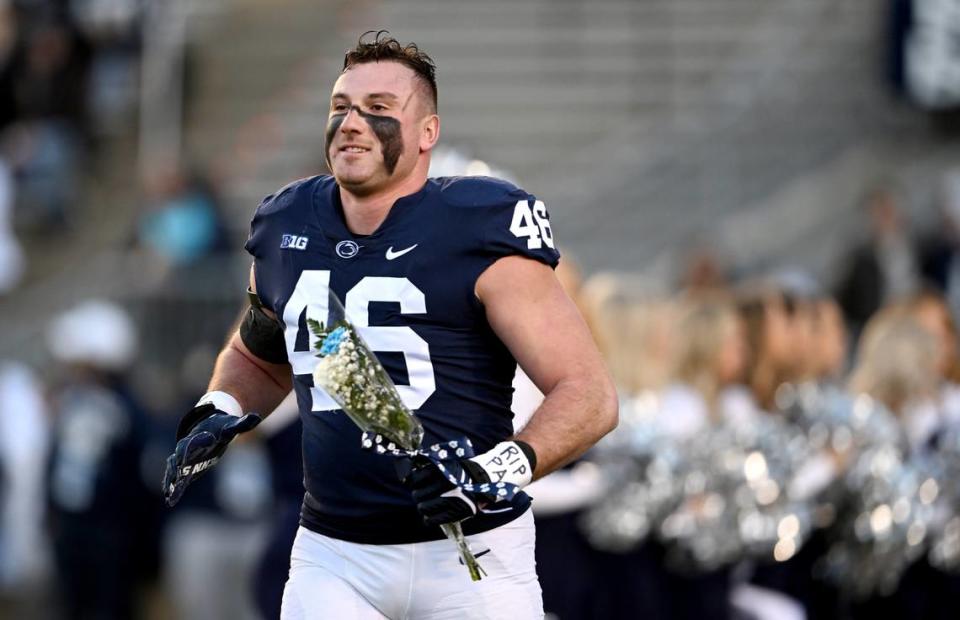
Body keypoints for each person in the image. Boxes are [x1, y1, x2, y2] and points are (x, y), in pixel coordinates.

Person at [162, 32, 618, 620]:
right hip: (334, 553)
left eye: (378, 108)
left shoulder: (478, 227)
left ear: (428, 133)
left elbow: (590, 395)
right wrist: (220, 404)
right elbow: (258, 355)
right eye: (340, 106)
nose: (351, 122)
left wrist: (491, 471)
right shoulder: (287, 224)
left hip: (472, 554)